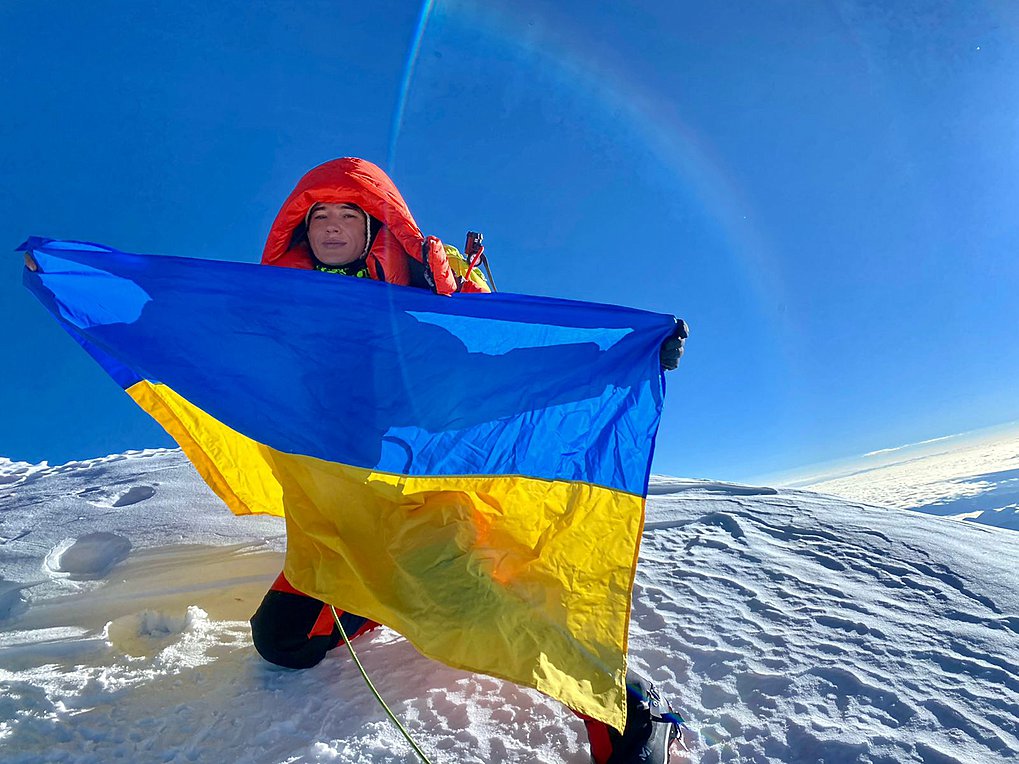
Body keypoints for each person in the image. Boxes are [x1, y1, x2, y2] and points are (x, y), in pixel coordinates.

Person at [250, 157, 687, 764]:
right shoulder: (277, 315)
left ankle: (627, 709)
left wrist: (612, 354)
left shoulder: (417, 312)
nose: (330, 226)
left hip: (413, 504)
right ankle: (364, 596)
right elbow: (202, 346)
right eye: (318, 214)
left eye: (348, 214)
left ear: (375, 228)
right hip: (330, 521)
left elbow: (496, 366)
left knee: (479, 620)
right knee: (280, 641)